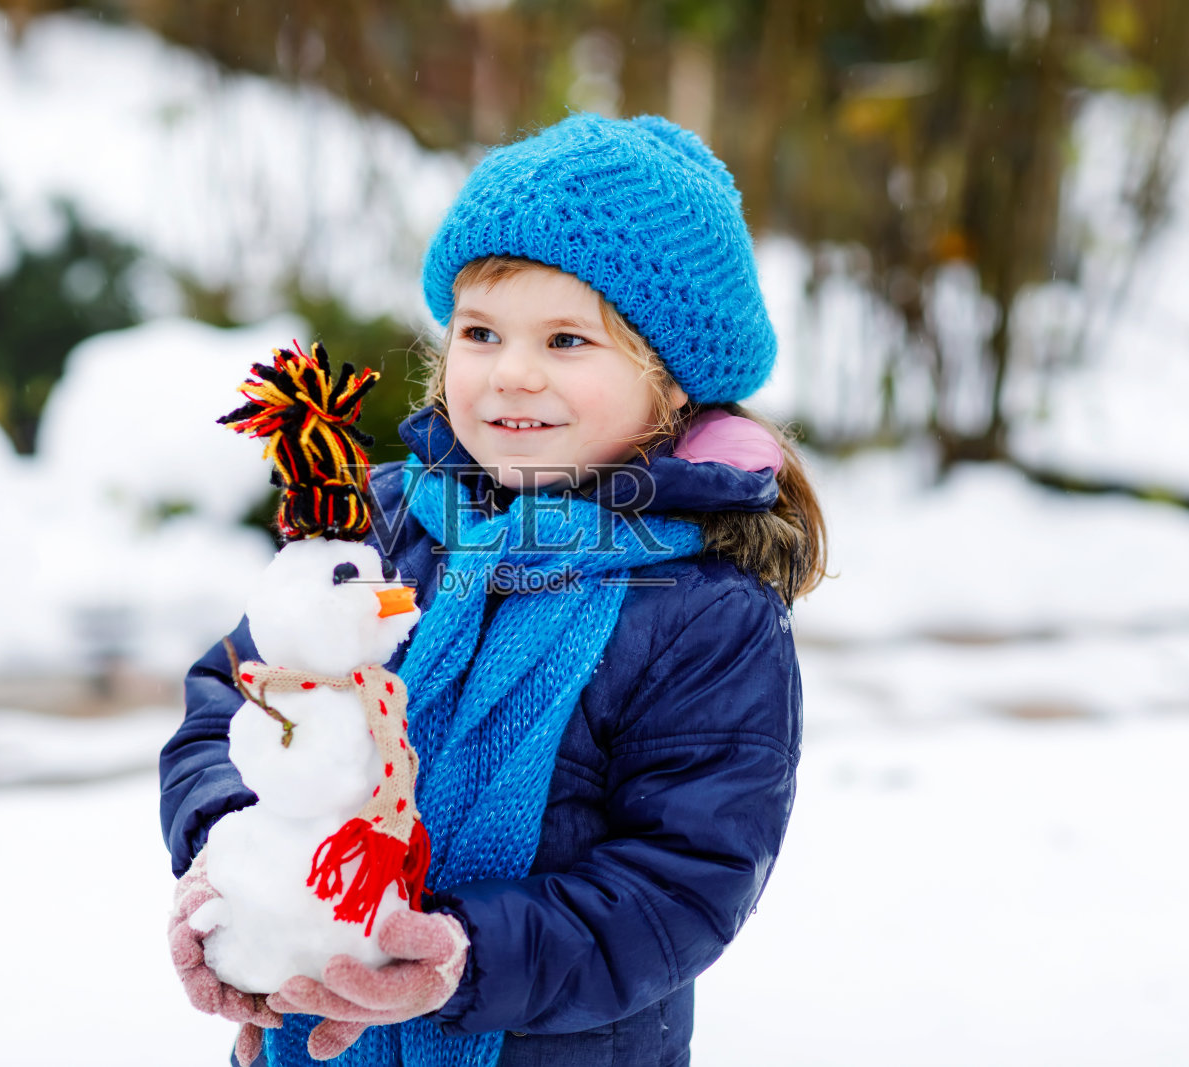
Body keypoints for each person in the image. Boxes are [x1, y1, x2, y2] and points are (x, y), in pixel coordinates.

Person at [161, 112, 827, 1067]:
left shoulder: (704, 605)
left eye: (565, 340)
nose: (512, 373)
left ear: (672, 381)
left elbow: (684, 881)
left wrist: (464, 956)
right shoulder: (380, 525)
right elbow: (231, 699)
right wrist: (233, 852)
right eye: (481, 331)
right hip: (310, 1042)